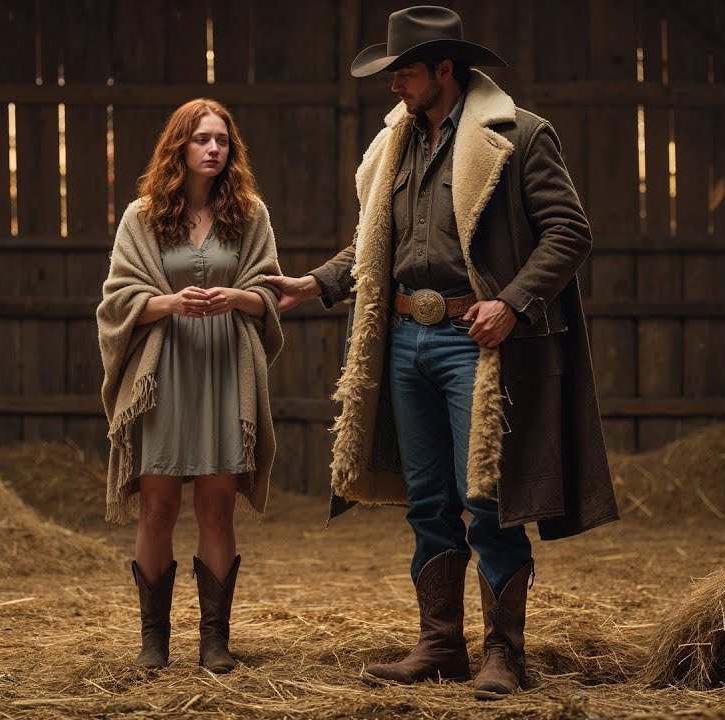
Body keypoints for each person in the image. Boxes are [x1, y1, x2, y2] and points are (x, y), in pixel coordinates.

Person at [266, 6, 619, 699]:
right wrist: (318, 282)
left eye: (405, 72)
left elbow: (569, 232)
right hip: (403, 338)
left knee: (487, 497)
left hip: (474, 339)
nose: (394, 85)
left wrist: (513, 303)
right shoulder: (394, 143)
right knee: (428, 500)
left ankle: (505, 654)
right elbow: (377, 242)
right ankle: (439, 645)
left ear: (444, 71)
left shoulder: (516, 136)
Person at [97, 99, 283, 674]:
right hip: (163, 375)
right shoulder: (143, 215)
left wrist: (237, 298)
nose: (213, 148)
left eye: (222, 140)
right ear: (179, 146)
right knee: (157, 505)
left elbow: (270, 293)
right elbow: (117, 297)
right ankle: (154, 641)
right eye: (201, 138)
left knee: (218, 506)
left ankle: (214, 643)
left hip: (225, 372)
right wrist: (167, 302)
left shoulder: (249, 214)